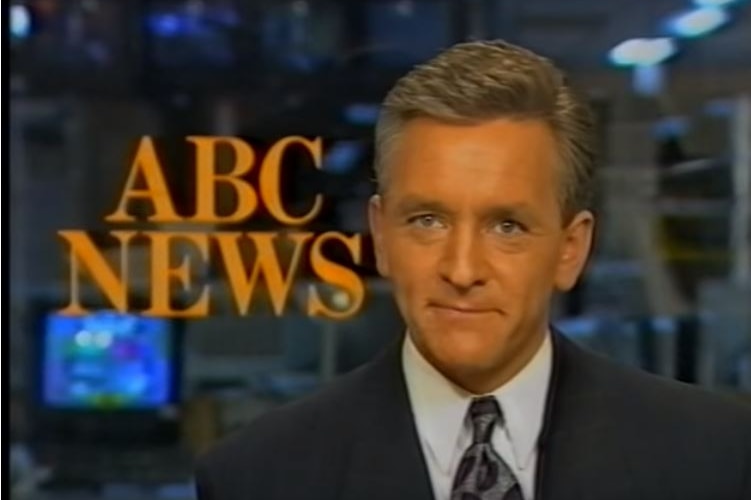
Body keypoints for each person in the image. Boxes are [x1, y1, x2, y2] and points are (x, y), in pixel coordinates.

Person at [194, 39, 751, 500]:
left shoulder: (714, 461)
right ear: (382, 236)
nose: (462, 269)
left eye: (506, 226)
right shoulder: (257, 478)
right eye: (428, 221)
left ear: (570, 249)